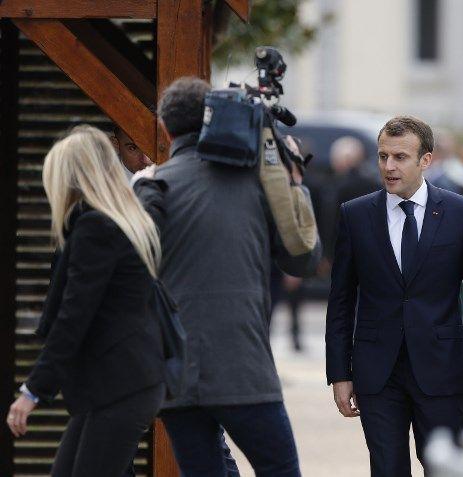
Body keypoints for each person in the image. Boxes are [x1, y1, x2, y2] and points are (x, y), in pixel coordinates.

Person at [134, 77, 320, 476]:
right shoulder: (257, 181)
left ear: (166, 130)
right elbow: (303, 260)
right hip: (245, 370)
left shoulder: (152, 186)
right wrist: (295, 184)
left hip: (178, 375)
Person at [325, 115, 463, 475]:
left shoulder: (460, 212)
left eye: (400, 157)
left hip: (442, 371)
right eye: (383, 156)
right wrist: (339, 373)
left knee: (445, 469)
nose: (389, 166)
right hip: (377, 373)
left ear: (426, 160)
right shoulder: (356, 215)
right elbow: (341, 301)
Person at [5, 125, 165, 476]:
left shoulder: (97, 227)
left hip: (120, 385)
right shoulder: (117, 220)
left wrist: (32, 392)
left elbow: (72, 317)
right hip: (119, 384)